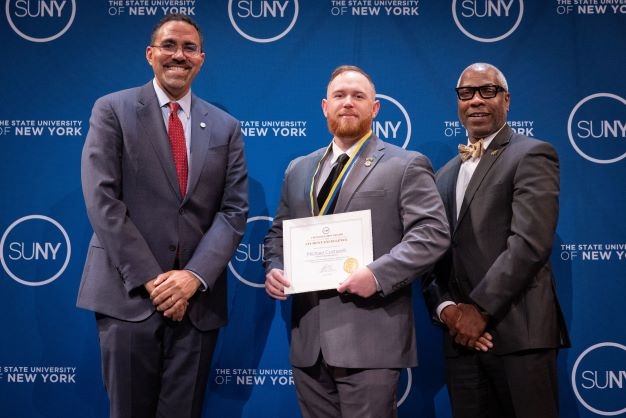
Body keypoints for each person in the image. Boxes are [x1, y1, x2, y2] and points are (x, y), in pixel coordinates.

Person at [76, 13, 248, 418]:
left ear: (201, 59)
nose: (179, 55)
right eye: (169, 45)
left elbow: (234, 210)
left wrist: (192, 278)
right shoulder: (112, 110)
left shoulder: (225, 127)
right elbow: (102, 200)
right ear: (150, 54)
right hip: (129, 296)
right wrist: (155, 282)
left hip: (196, 305)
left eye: (189, 48)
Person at [263, 65, 450, 418]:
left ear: (375, 108)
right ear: (324, 106)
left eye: (358, 96)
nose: (348, 103)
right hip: (309, 341)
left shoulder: (405, 164)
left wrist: (377, 275)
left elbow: (432, 234)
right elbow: (278, 233)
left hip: (370, 338)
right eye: (339, 95)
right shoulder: (299, 169)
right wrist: (275, 266)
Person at [422, 62, 570, 418]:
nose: (476, 100)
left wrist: (479, 310)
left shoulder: (532, 153)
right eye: (466, 93)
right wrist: (448, 311)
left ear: (506, 100)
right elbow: (431, 255)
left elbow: (529, 243)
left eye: (487, 91)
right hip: (461, 341)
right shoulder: (443, 175)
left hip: (520, 336)